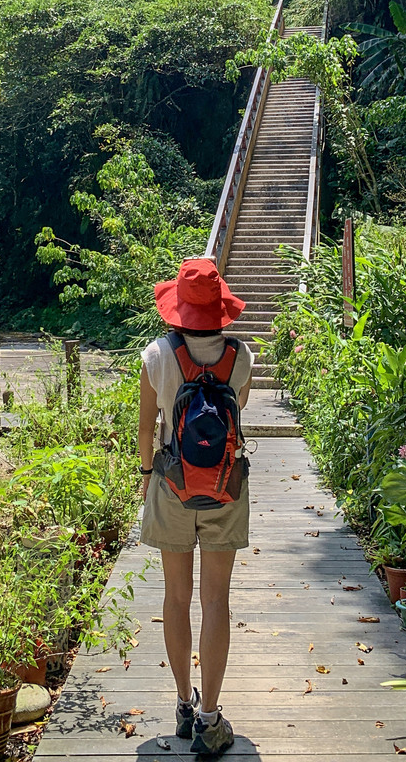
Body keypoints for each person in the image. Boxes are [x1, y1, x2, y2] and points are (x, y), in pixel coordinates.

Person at [138, 257, 253, 756]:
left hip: (171, 487)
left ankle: (184, 705)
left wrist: (147, 477)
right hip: (225, 490)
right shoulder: (241, 356)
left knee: (176, 598)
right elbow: (236, 414)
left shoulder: (157, 355)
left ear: (178, 307)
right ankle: (210, 719)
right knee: (216, 602)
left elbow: (147, 432)